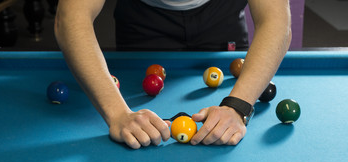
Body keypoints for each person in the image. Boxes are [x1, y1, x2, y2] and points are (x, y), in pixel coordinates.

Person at [54, 0, 292, 149]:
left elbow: (276, 19)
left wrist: (239, 105)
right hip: (143, 16)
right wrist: (117, 114)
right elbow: (71, 17)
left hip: (221, 13)